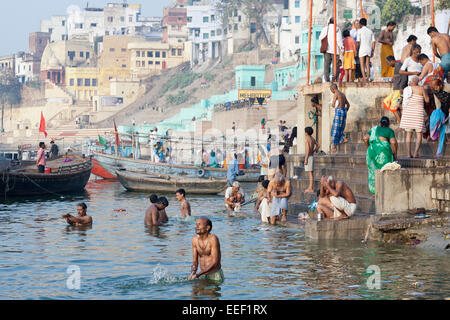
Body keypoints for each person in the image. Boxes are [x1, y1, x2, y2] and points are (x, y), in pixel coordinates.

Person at [363, 117, 398, 194]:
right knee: (384, 170)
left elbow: (365, 138)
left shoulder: (374, 129)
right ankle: (384, 191)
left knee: (373, 171)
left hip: (371, 151)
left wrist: (370, 147)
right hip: (383, 152)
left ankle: (374, 192)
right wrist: (395, 155)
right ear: (388, 124)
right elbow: (393, 142)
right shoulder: (389, 130)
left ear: (380, 123)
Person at [399, 76, 430, 158]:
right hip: (418, 114)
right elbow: (427, 100)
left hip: (408, 113)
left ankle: (409, 154)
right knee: (419, 134)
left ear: (411, 82)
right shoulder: (421, 89)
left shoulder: (407, 89)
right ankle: (416, 153)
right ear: (417, 82)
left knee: (409, 134)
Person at [188, 217, 223, 283]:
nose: (196, 227)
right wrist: (192, 273)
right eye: (196, 224)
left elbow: (214, 262)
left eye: (199, 224)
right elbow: (195, 261)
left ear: (207, 228)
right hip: (202, 274)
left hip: (214, 275)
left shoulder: (213, 239)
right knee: (195, 290)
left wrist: (198, 274)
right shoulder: (194, 239)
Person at [383, 56, 408, 123]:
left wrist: (401, 88)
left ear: (392, 61)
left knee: (393, 107)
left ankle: (400, 123)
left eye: (388, 63)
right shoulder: (397, 66)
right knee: (387, 102)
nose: (388, 64)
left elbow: (404, 77)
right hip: (395, 90)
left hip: (398, 90)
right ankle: (401, 122)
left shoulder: (399, 65)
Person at [319, 18, 343, 82]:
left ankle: (327, 79)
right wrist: (342, 49)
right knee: (335, 65)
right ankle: (335, 78)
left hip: (327, 49)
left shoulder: (325, 29)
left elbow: (320, 37)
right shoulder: (337, 29)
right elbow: (339, 40)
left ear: (329, 22)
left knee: (326, 65)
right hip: (335, 50)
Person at [330, 84, 350, 153]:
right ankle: (343, 138)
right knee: (341, 127)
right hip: (344, 111)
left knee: (335, 128)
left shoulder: (336, 93)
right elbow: (348, 105)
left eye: (331, 90)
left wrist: (333, 104)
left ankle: (334, 146)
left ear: (333, 89)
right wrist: (344, 111)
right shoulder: (343, 94)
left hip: (339, 111)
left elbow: (333, 104)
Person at [356, 18, 375, 82]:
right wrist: (373, 50)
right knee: (367, 64)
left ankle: (364, 78)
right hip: (368, 49)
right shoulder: (370, 31)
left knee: (362, 64)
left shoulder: (360, 31)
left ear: (360, 24)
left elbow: (358, 42)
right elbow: (373, 42)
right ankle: (368, 77)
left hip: (362, 49)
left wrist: (356, 50)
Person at [304, 127, 320, 194]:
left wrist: (306, 159)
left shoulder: (307, 139)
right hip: (312, 156)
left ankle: (310, 188)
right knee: (311, 173)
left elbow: (307, 150)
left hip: (309, 157)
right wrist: (314, 150)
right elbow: (318, 145)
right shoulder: (312, 138)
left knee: (310, 173)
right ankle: (310, 187)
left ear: (306, 133)